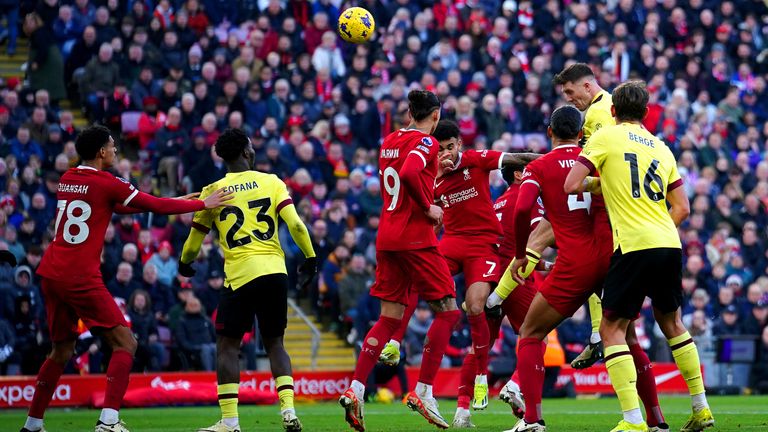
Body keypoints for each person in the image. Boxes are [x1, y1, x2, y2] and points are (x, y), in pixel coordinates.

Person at [21, 125, 231, 432]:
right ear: (102, 152)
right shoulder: (106, 182)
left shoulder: (68, 179)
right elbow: (152, 206)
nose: (116, 151)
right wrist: (202, 204)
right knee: (126, 342)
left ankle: (33, 423)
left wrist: (178, 199)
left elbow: (114, 206)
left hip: (51, 272)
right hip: (79, 275)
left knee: (61, 349)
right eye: (113, 146)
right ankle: (108, 421)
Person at [504, 106, 666, 432]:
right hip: (613, 260)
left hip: (574, 265)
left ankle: (533, 420)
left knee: (530, 333)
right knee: (626, 339)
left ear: (550, 132)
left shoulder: (539, 166)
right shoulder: (596, 158)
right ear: (581, 134)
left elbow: (523, 208)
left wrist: (522, 252)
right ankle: (656, 420)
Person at [565, 81, 714, 431]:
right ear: (647, 114)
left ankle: (633, 420)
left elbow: (571, 184)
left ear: (612, 111)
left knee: (611, 327)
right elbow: (683, 207)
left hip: (632, 245)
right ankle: (701, 407)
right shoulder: (662, 148)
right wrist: (658, 224)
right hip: (668, 242)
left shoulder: (605, 137)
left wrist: (603, 183)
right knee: (673, 324)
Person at [377, 119, 538, 414]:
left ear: (459, 144)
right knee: (414, 276)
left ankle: (481, 377)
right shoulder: (433, 174)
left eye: (450, 148)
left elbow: (519, 158)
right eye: (440, 151)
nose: (446, 155)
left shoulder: (476, 160)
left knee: (474, 305)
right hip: (452, 242)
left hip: (482, 245)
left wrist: (555, 159)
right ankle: (395, 342)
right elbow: (418, 202)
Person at [179, 128, 317, 432]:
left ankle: (230, 421)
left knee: (228, 345)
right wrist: (310, 258)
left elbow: (192, 244)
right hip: (275, 271)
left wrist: (186, 263)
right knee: (275, 343)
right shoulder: (272, 182)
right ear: (245, 152)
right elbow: (294, 223)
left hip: (240, 274)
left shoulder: (212, 191)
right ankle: (289, 411)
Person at [339, 90, 460, 432]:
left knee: (390, 319)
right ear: (435, 117)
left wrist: (435, 176)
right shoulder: (427, 144)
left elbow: (402, 179)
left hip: (387, 236)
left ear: (408, 112)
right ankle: (423, 390)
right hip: (415, 238)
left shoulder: (390, 140)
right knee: (449, 310)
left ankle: (356, 389)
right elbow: (408, 174)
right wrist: (429, 207)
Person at [487, 63, 613, 370]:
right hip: (600, 198)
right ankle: (597, 336)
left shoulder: (597, 115)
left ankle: (494, 301)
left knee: (542, 237)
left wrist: (541, 162)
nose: (570, 99)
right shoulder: (605, 106)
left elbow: (593, 160)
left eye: (570, 92)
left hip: (601, 200)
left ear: (586, 86)